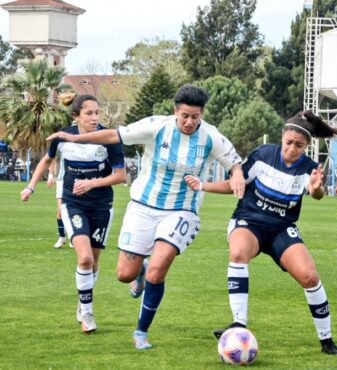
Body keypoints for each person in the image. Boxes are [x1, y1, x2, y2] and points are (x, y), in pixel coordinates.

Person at [46, 84, 245, 349]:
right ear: (175, 111)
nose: (189, 122)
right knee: (124, 274)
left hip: (182, 211)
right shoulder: (156, 126)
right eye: (184, 115)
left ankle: (141, 332)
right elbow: (113, 136)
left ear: (202, 114)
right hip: (142, 206)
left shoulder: (211, 137)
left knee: (157, 268)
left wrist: (239, 174)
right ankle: (138, 272)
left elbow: (235, 163)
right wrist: (71, 138)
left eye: (195, 117)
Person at [185, 111, 337, 356]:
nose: (292, 148)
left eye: (299, 145)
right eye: (288, 142)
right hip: (248, 221)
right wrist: (203, 185)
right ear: (281, 138)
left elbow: (316, 193)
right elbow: (236, 185)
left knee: (310, 277)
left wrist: (316, 189)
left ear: (307, 146)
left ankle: (327, 341)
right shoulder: (262, 155)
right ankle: (239, 324)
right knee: (238, 252)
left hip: (282, 228)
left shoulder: (310, 168)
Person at [21, 94, 126, 333]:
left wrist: (92, 183)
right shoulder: (63, 138)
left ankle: (83, 300)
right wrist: (30, 186)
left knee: (95, 262)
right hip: (73, 203)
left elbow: (120, 177)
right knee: (85, 258)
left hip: (101, 205)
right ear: (75, 115)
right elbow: (46, 161)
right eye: (89, 113)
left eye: (97, 113)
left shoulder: (109, 139)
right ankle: (88, 313)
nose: (95, 117)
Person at [47, 156, 71, 248]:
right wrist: (50, 175)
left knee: (74, 210)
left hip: (76, 180)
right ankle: (62, 237)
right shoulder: (62, 143)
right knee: (61, 211)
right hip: (61, 181)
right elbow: (52, 156)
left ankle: (73, 237)